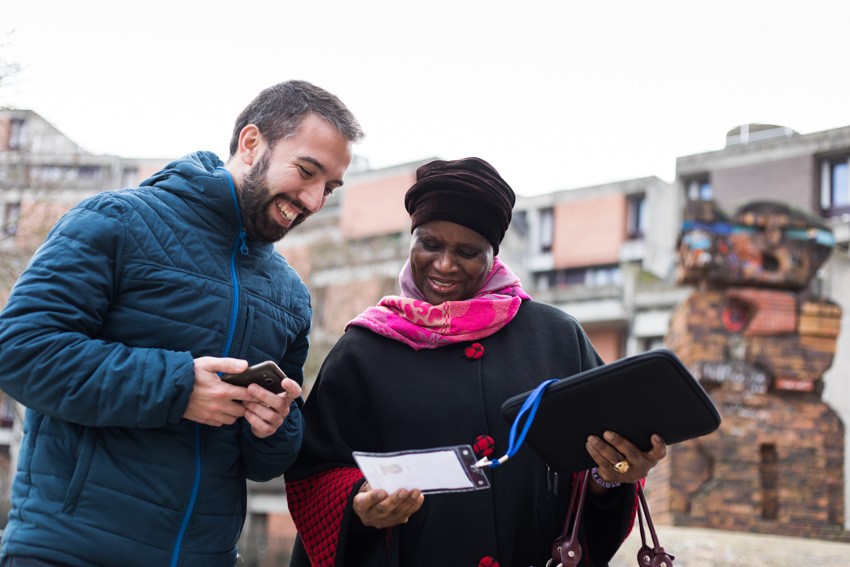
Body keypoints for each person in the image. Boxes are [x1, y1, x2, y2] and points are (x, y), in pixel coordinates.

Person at [0, 80, 363, 567]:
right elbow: (20, 351)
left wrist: (275, 426)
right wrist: (177, 387)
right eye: (306, 171)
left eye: (330, 188)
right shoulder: (117, 221)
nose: (315, 201)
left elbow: (265, 465)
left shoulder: (291, 297)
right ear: (251, 143)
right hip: (69, 552)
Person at [284, 157, 668, 567]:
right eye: (430, 244)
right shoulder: (362, 350)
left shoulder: (556, 338)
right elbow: (315, 473)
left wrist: (611, 473)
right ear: (411, 239)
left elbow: (594, 465)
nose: (445, 264)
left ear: (494, 256)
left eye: (468, 252)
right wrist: (358, 504)